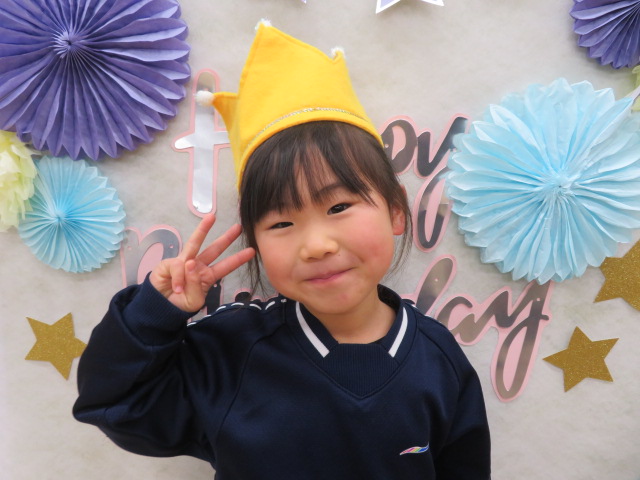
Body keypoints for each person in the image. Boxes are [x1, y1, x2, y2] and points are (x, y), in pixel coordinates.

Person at [73, 21, 491, 479]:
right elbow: (115, 404)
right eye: (282, 223)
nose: (316, 245)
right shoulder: (231, 353)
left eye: (338, 206)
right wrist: (153, 315)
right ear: (255, 242)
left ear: (395, 210)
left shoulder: (439, 360)